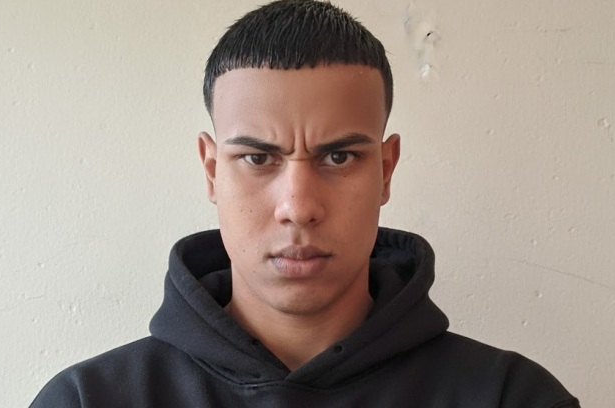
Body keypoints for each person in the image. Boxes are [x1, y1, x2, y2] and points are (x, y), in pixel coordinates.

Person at [30, 1, 579, 406]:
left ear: (386, 170)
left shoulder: (512, 398)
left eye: (339, 157)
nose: (297, 207)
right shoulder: (87, 401)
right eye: (257, 158)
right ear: (212, 170)